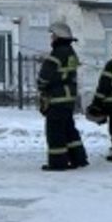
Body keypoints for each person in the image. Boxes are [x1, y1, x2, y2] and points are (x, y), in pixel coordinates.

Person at [37, 22, 88, 171]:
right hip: (68, 97)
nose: (51, 38)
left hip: (57, 97)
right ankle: (79, 158)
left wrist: (41, 87)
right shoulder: (70, 52)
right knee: (69, 129)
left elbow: (45, 76)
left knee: (55, 131)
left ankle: (57, 162)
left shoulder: (57, 53)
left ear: (58, 37)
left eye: (53, 36)